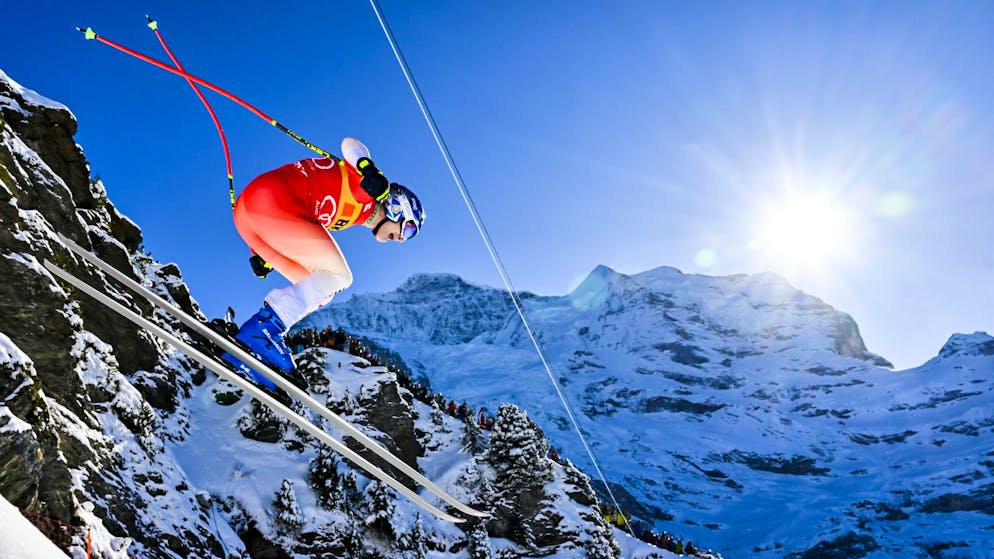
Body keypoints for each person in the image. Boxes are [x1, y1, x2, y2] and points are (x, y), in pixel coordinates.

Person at [221, 137, 425, 390]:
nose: (402, 239)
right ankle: (263, 332)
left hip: (250, 217)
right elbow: (350, 144)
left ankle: (252, 342)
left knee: (319, 285)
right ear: (397, 207)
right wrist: (368, 168)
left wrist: (261, 252)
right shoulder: (366, 191)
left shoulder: (356, 214)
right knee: (340, 276)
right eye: (408, 228)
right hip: (271, 200)